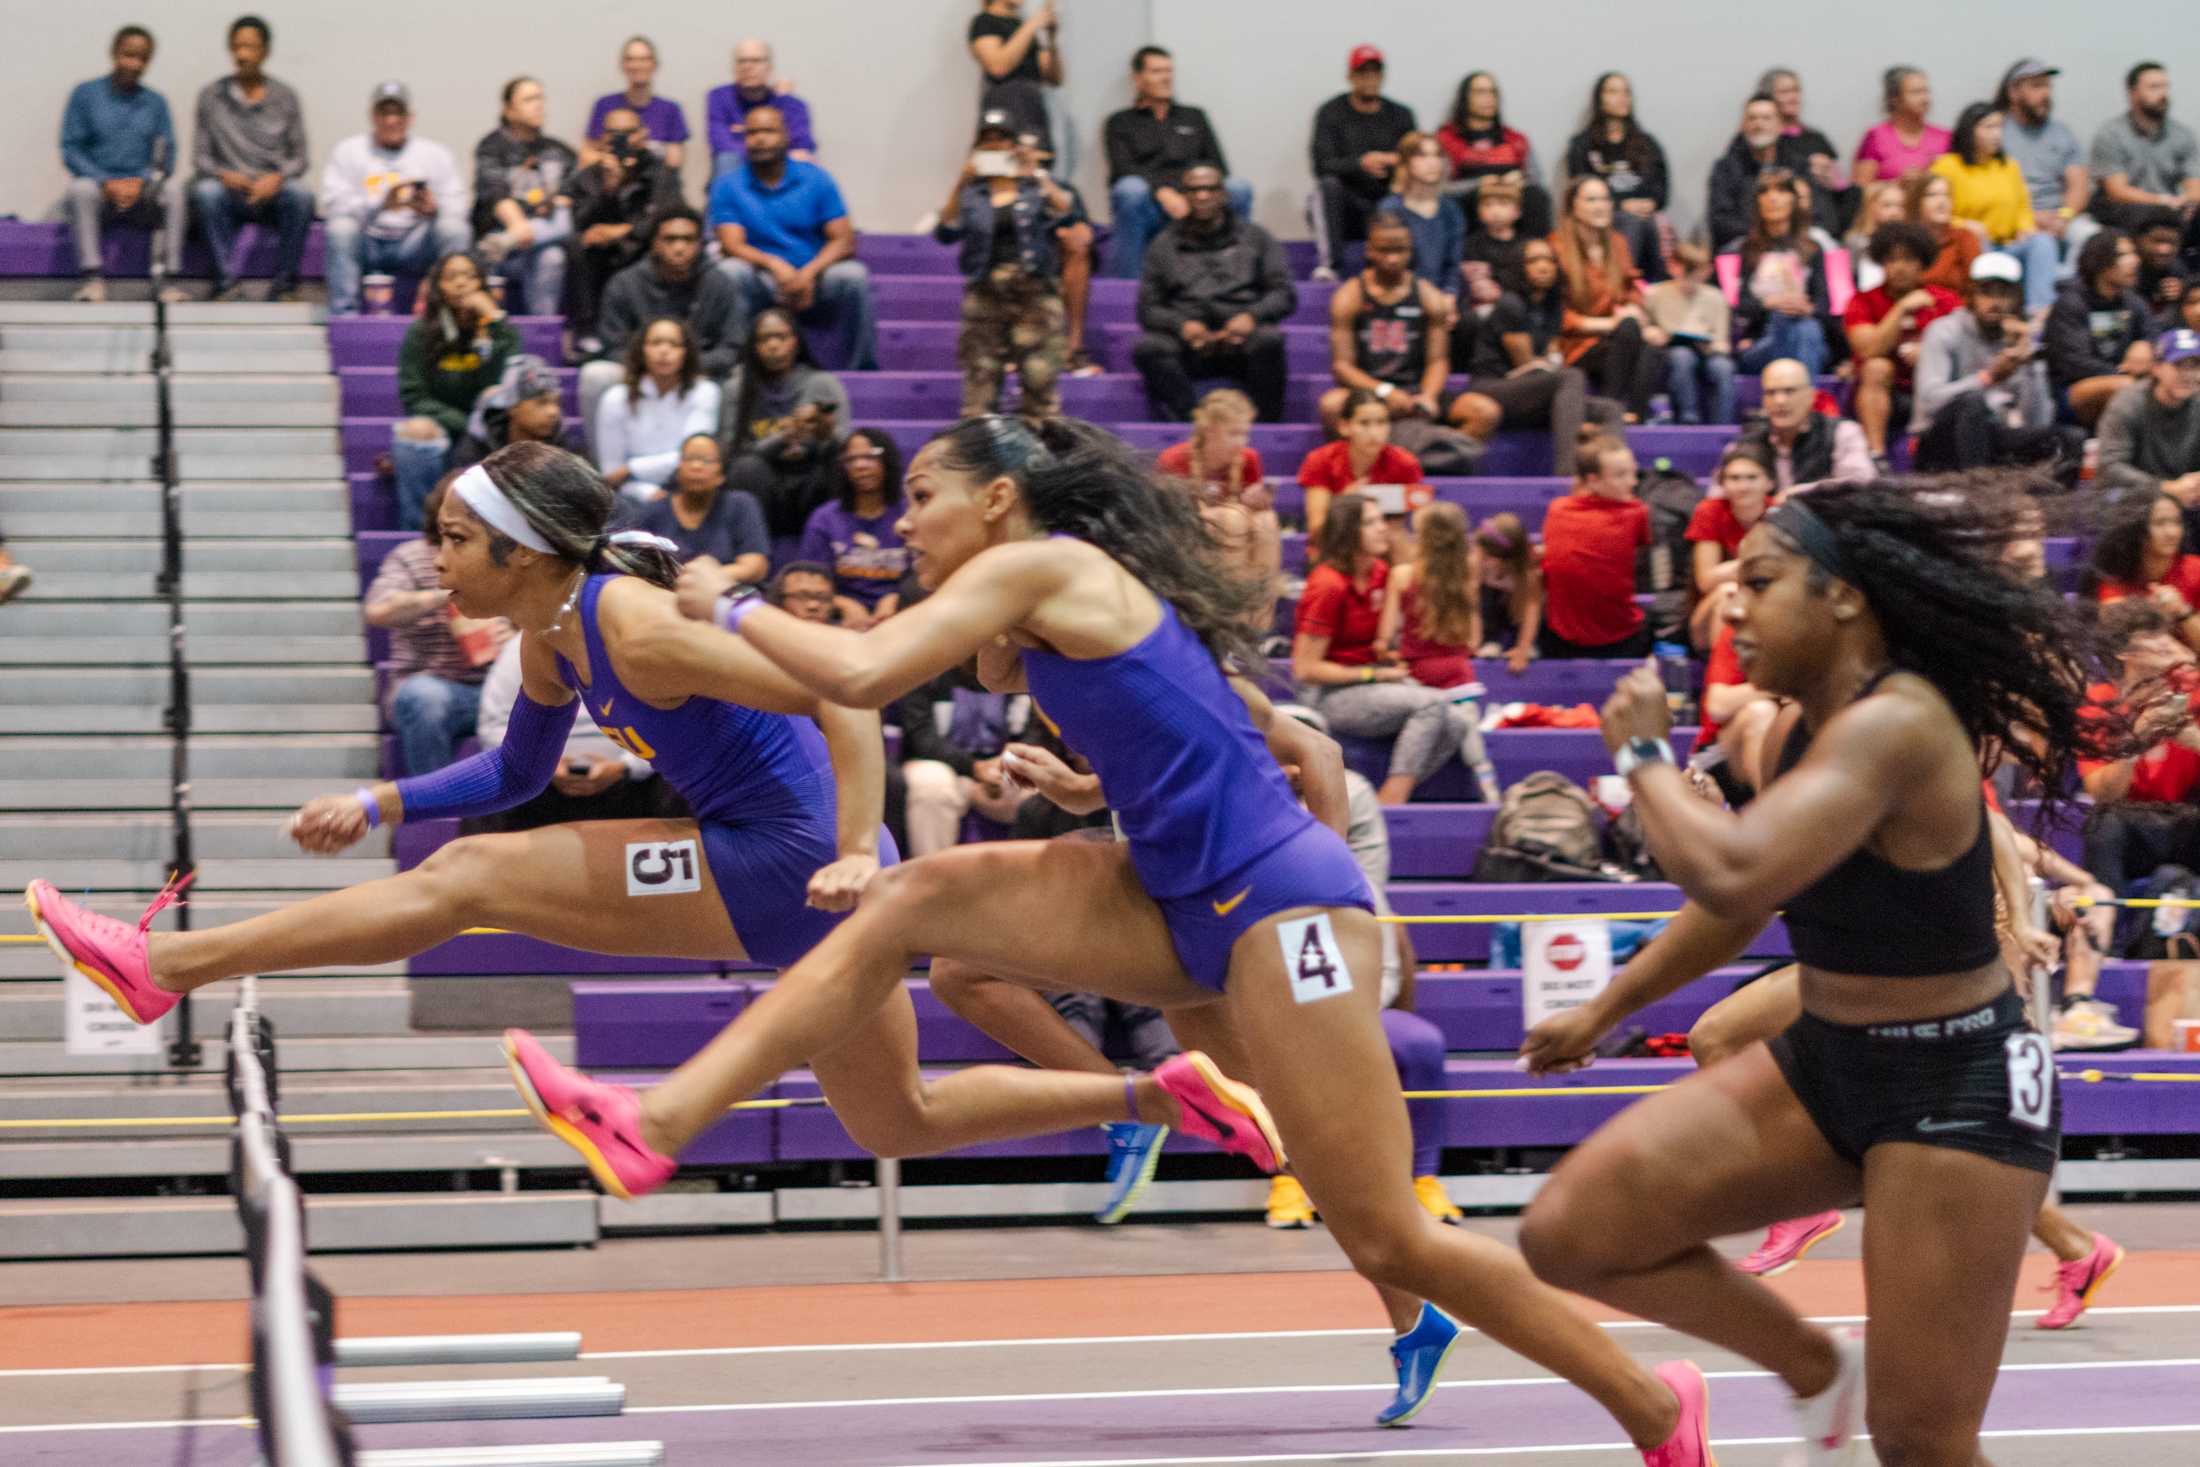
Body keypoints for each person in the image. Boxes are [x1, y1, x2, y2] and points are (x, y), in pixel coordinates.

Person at [587, 417, 1715, 1460]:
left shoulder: (1048, 565)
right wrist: (1085, 793)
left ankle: (1655, 1405)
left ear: (999, 501)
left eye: (924, 493)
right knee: (909, 899)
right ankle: (663, 1118)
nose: (904, 516)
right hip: (1176, 900)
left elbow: (863, 673)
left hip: (1279, 904)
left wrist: (721, 603)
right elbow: (1167, 735)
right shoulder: (1040, 601)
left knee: (1387, 1237)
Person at [1516, 473, 2120, 1466]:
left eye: (1760, 580)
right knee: (1571, 1235)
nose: (1729, 603)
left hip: (1957, 1084)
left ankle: (1855, 1399)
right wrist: (1605, 1010)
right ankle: (1813, 1370)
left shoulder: (1899, 724)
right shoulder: (1792, 728)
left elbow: (1729, 864)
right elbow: (1746, 902)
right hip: (1829, 1062)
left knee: (1921, 1445)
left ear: (1841, 596)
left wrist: (1638, 762)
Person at [1293, 492, 1498, 803]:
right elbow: (1305, 669)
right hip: (1329, 695)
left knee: (1457, 723)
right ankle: (1393, 798)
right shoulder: (1328, 585)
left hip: (1376, 681)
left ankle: (1385, 798)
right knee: (1432, 704)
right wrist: (1371, 675)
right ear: (1349, 531)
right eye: (1371, 522)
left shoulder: (1379, 573)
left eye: (1382, 520)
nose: (1383, 528)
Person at [464, 630, 686, 834]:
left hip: (632, 781)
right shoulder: (522, 646)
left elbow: (672, 729)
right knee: (483, 787)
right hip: (540, 783)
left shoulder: (645, 647)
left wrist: (627, 767)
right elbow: (494, 726)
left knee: (686, 779)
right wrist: (541, 765)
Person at [708, 106, 877, 371]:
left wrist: (807, 274)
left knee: (853, 276)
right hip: (761, 277)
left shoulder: (817, 178)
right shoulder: (728, 185)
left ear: (785, 136)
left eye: (768, 131)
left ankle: (861, 369)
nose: (760, 139)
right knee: (730, 272)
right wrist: (775, 266)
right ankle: (735, 366)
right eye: (752, 133)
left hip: (815, 275)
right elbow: (732, 244)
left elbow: (844, 240)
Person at [936, 112, 1080, 420]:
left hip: (1034, 296)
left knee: (1040, 385)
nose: (995, 147)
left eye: (1001, 141)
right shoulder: (973, 194)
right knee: (979, 387)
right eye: (987, 142)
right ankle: (982, 460)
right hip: (986, 297)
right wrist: (961, 181)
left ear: (1014, 146)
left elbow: (1069, 212)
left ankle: (1041, 460)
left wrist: (1037, 173)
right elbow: (945, 231)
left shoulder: (1034, 189)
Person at [1133, 164, 1296, 423]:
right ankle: (1194, 420)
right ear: (1184, 195)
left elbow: (1284, 294)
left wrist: (1251, 317)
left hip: (1243, 342)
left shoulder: (1256, 238)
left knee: (1269, 340)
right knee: (1148, 347)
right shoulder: (1163, 244)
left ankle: (1266, 424)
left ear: (1224, 194)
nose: (1202, 196)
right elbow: (1147, 308)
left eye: (1210, 189)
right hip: (1190, 345)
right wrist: (1181, 325)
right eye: (1194, 190)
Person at [364, 474, 504, 776]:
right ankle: (438, 813)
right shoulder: (411, 556)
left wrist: (518, 632)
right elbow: (378, 611)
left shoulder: (507, 558)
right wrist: (445, 596)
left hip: (500, 685)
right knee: (423, 697)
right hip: (436, 684)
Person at [1318, 215, 1481, 463]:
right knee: (1332, 405)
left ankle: (1431, 467)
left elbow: (1438, 360)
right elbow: (1342, 366)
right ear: (1370, 251)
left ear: (1410, 250)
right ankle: (1355, 470)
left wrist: (1428, 395)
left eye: (1400, 250)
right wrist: (1385, 391)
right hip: (1369, 391)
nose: (1393, 258)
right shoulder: (1349, 296)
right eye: (1384, 250)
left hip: (1415, 389)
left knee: (1483, 411)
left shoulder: (1429, 296)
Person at [1461, 236, 1622, 474]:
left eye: (1549, 260)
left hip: (1531, 390)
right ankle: (1570, 475)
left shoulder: (1552, 307)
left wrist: (1548, 366)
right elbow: (1527, 366)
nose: (1544, 266)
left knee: (1609, 409)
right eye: (1533, 260)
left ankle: (1608, 475)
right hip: (1494, 387)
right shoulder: (1510, 304)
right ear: (1519, 267)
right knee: (1571, 377)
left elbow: (1550, 358)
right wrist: (1547, 366)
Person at [579, 207, 741, 438]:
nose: (679, 247)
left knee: (738, 380)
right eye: (670, 239)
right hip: (640, 373)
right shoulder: (625, 283)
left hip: (699, 372)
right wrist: (651, 368)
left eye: (688, 239)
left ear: (700, 244)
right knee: (596, 375)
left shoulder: (720, 284)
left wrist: (685, 367)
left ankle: (715, 468)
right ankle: (602, 468)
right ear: (655, 243)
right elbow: (612, 345)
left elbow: (731, 348)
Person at [184, 15, 310, 302]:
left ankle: (285, 285)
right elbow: (200, 157)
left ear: (265, 52)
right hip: (230, 191)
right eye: (237, 47)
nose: (242, 55)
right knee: (205, 192)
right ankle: (225, 284)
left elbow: (300, 158)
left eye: (250, 48)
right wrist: (223, 175)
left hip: (272, 191)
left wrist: (276, 179)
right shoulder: (211, 96)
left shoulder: (285, 96)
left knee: (300, 195)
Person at [392, 251, 520, 531]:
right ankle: (421, 533)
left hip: (491, 428)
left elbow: (512, 380)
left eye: (470, 276)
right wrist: (463, 424)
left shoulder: (497, 329)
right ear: (439, 287)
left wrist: (494, 319)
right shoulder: (421, 332)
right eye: (452, 277)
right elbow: (414, 396)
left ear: (482, 284)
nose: (461, 283)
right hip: (445, 427)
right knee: (415, 430)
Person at [321, 82, 470, 317]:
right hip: (368, 239)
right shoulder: (349, 151)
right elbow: (333, 205)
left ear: (410, 118)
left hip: (415, 242)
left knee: (453, 228)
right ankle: (344, 317)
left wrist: (435, 208)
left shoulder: (434, 154)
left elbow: (459, 204)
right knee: (340, 229)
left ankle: (451, 316)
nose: (391, 121)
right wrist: (381, 203)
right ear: (373, 116)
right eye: (384, 113)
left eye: (398, 113)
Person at [1102, 46, 1249, 279]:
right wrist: (1162, 192)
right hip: (1149, 205)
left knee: (1238, 188)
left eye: (1169, 71)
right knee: (1128, 189)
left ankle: (1238, 277)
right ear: (1138, 78)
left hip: (1196, 201)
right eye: (1157, 71)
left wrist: (1191, 194)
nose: (1166, 78)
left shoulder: (1194, 116)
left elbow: (1217, 167)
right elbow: (1123, 168)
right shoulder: (1120, 122)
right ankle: (1127, 287)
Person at [1911, 255, 2066, 473]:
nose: (1995, 302)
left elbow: (2038, 421)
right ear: (1971, 295)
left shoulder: (2015, 336)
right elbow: (1929, 402)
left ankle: (2049, 503)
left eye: (2003, 294)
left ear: (2016, 298)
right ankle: (1979, 488)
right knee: (1973, 404)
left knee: (2068, 439)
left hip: (1992, 435)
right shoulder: (1943, 331)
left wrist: (2030, 364)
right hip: (1938, 439)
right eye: (1986, 293)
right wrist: (1989, 377)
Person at [60, 25, 178, 304]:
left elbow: (167, 155)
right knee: (80, 189)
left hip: (142, 193)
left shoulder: (156, 103)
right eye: (129, 55)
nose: (134, 64)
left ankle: (167, 281)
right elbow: (71, 148)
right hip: (101, 192)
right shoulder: (85, 95)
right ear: (114, 53)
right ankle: (92, 279)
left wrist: (141, 182)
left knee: (173, 192)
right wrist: (105, 182)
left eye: (142, 58)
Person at [718, 308, 851, 544]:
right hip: (764, 485)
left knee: (836, 461)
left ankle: (830, 542)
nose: (773, 345)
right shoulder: (737, 388)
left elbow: (845, 445)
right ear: (753, 346)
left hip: (811, 482)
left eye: (781, 337)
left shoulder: (823, 383)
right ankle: (754, 548)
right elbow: (731, 452)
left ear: (796, 342)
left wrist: (824, 434)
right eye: (764, 339)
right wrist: (784, 437)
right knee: (746, 468)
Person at [567, 107, 684, 349]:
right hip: (602, 254)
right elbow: (580, 222)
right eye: (612, 133)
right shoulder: (588, 177)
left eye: (627, 133)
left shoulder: (662, 173)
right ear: (603, 138)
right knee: (576, 246)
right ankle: (588, 332)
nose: (619, 139)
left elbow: (668, 217)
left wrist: (625, 231)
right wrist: (609, 189)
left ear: (642, 135)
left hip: (643, 249)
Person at [1842, 221, 1960, 457]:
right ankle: (1876, 456)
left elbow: (1966, 349)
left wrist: (1929, 355)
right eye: (1891, 260)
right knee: (1876, 366)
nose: (1899, 267)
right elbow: (1868, 349)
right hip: (1884, 394)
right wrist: (1901, 308)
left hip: (1932, 391)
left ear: (1922, 263)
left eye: (1908, 259)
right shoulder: (1863, 301)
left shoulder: (1946, 300)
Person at [1932, 103, 2061, 314]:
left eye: (1999, 127)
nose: (1996, 134)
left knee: (2042, 242)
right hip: (1974, 243)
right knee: (1977, 241)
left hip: (2008, 243)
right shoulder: (1948, 166)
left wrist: (2024, 226)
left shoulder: (2008, 166)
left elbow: (2022, 205)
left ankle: (2039, 313)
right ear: (1969, 130)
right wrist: (1964, 224)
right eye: (1988, 127)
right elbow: (1934, 209)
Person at [1550, 176, 1660, 421]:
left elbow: (1631, 288)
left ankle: (1633, 418)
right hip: (1577, 343)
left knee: (1653, 349)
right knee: (1630, 330)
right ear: (1572, 206)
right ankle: (1610, 410)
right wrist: (1609, 324)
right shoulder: (1556, 248)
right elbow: (1554, 313)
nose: (1601, 206)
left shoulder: (1617, 243)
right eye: (1591, 199)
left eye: (1605, 199)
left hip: (1619, 337)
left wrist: (1635, 309)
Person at [1308, 45, 1416, 282]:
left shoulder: (1401, 115)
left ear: (1382, 76)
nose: (1369, 79)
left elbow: (1415, 156)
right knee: (1326, 186)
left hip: (1387, 201)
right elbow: (1321, 164)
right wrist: (1361, 163)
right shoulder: (1331, 112)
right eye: (1362, 73)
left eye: (1375, 72)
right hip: (1346, 205)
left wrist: (1393, 160)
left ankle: (1409, 265)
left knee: (1412, 188)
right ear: (1350, 76)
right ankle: (1330, 265)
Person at [470, 78, 577, 317]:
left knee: (554, 253)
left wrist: (550, 205)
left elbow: (572, 196)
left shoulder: (560, 151)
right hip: (501, 251)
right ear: (508, 110)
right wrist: (519, 225)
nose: (539, 105)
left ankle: (542, 336)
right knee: (557, 221)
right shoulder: (492, 147)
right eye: (529, 99)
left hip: (539, 244)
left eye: (541, 98)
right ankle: (510, 238)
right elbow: (495, 193)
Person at [1538, 436, 1652, 660]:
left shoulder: (1557, 508)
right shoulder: (1637, 512)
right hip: (1616, 640)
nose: (1632, 482)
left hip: (1561, 639)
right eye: (1621, 475)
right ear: (1593, 481)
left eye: (1633, 472)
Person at [594, 318, 723, 503]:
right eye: (655, 343)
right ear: (642, 350)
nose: (664, 351)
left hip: (689, 488)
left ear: (686, 352)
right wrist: (645, 491)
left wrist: (631, 468)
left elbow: (695, 457)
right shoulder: (615, 398)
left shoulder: (705, 392)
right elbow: (613, 474)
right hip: (632, 493)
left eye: (674, 344)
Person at [622, 435, 769, 592]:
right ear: (678, 470)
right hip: (667, 598)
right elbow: (632, 565)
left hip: (727, 596)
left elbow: (755, 567)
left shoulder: (740, 504)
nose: (696, 466)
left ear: (722, 474)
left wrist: (695, 581)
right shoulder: (654, 511)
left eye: (707, 460)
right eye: (689, 458)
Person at [1726, 170, 1835, 379]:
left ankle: (1798, 404)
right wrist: (1770, 303)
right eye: (1764, 191)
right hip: (1762, 341)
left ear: (1795, 200)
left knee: (1806, 329)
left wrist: (1804, 308)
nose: (1772, 198)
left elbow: (1824, 305)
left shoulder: (1813, 249)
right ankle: (1805, 406)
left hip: (1807, 336)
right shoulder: (1747, 249)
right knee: (1789, 322)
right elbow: (1741, 305)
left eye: (1781, 190)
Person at [1564, 72, 1670, 284]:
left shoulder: (1647, 144)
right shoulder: (1583, 145)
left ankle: (1653, 287)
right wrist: (1621, 204)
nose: (1622, 97)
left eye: (1626, 92)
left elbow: (1661, 191)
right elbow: (1579, 187)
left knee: (1649, 222)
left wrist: (1649, 203)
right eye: (1613, 91)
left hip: (1645, 216)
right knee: (1633, 222)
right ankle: (1622, 283)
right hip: (1605, 216)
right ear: (1599, 100)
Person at [799, 428, 910, 629]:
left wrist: (896, 598)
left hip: (903, 615)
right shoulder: (825, 518)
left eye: (870, 457)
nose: (860, 466)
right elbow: (809, 580)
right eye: (852, 459)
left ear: (888, 461)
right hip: (837, 618)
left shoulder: (910, 514)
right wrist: (843, 604)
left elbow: (924, 577)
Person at [2045, 229, 2156, 427]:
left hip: (2126, 379)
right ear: (2100, 261)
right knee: (2130, 388)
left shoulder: (2133, 302)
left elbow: (2154, 336)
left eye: (2133, 253)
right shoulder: (2071, 303)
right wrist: (2120, 372)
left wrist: (2146, 344)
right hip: (2072, 392)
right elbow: (2074, 363)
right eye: (2123, 255)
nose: (2135, 261)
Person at [1995, 58, 2097, 265]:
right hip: (2012, 218)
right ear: (2013, 93)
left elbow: (2079, 185)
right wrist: (2029, 217)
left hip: (2060, 217)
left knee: (2091, 237)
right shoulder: (1995, 131)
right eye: (2036, 86)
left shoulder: (2062, 133)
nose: (2045, 94)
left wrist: (2064, 217)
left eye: (2048, 87)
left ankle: (2068, 291)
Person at [1296, 389, 1424, 543]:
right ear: (1344, 426)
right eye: (1364, 423)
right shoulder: (1320, 459)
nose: (1374, 432)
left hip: (1385, 541)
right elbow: (1316, 530)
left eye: (1381, 422)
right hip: (1336, 542)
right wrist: (1345, 502)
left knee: (1396, 533)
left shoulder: (1405, 462)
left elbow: (1418, 524)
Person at [1436, 71, 1552, 239]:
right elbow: (1441, 187)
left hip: (1512, 198)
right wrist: (1480, 184)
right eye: (1480, 92)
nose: (1488, 98)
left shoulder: (1515, 139)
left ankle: (1534, 253)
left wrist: (1518, 181)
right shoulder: (1447, 138)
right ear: (1465, 98)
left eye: (1492, 92)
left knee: (1536, 196)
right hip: (1469, 202)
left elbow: (1536, 178)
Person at [2089, 62, 2200, 235]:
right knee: (2151, 218)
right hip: (2125, 211)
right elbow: (2117, 191)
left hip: (2170, 209)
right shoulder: (2111, 134)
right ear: (2132, 93)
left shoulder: (2182, 135)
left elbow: (2195, 186)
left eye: (2165, 87)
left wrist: (2186, 201)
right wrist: (2161, 201)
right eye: (2154, 87)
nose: (2163, 94)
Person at [1377, 501, 1479, 690]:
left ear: (1421, 538)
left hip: (1417, 674)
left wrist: (1385, 652)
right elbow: (1474, 641)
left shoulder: (1401, 575)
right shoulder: (1468, 571)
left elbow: (1385, 637)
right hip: (1461, 673)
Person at [1684, 443, 1775, 651]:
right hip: (1708, 614)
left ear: (1769, 482)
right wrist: (1755, 564)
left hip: (1764, 606)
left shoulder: (1780, 513)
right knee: (1729, 593)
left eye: (1752, 478)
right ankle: (1724, 676)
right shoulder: (1709, 511)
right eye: (1734, 478)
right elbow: (1706, 580)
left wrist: (1733, 569)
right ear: (1722, 483)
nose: (1743, 486)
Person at [2099, 328, 2200, 504]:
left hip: (2189, 495)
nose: (2188, 375)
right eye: (2179, 365)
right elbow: (2110, 468)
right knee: (2113, 498)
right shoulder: (2128, 403)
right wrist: (2166, 488)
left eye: (2195, 366)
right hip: (2139, 497)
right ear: (2157, 368)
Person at [1740, 358, 1873, 491]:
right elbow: (1722, 491)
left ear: (1810, 396)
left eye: (1789, 391)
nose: (1779, 401)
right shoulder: (1750, 440)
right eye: (1771, 392)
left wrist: (1802, 493)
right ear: (1763, 401)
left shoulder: (1842, 432)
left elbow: (1862, 484)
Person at [967, 1, 1068, 174]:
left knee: (1038, 172)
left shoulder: (1021, 25)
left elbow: (1054, 78)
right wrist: (1033, 24)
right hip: (1003, 111)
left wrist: (1051, 38)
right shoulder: (984, 22)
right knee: (998, 170)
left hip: (1032, 112)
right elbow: (997, 67)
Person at [1707, 94, 1814, 254]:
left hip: (1794, 245)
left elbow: (1818, 213)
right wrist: (1764, 235)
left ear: (1780, 124)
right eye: (1752, 118)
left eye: (1766, 118)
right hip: (1745, 246)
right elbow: (1720, 221)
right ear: (1743, 125)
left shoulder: (1798, 165)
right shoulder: (1726, 168)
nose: (1759, 124)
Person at [1753, 69, 1855, 235]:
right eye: (1785, 92)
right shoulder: (1760, 140)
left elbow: (1840, 185)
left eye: (1796, 90)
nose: (1793, 97)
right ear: (1768, 97)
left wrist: (1830, 178)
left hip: (1819, 214)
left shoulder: (1815, 137)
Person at [2079, 491, 2200, 630]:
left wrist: (2182, 611)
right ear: (2135, 529)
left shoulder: (2195, 569)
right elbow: (2110, 623)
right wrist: (2148, 608)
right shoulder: (2114, 573)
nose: (2172, 532)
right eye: (2159, 523)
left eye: (2177, 522)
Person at [1378, 134, 1469, 303]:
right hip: (1402, 295)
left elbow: (1453, 264)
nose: (1432, 162)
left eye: (1437, 155)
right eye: (1422, 155)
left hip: (1445, 296)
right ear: (1405, 163)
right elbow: (1391, 265)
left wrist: (1449, 295)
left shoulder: (1451, 209)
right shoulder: (1390, 209)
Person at [452, 355, 585, 470]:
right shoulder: (478, 446)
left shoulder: (567, 447)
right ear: (513, 407)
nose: (554, 412)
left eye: (557, 402)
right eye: (541, 402)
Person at [705, 39, 816, 177]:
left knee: (804, 162)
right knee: (727, 159)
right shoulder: (719, 97)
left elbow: (802, 145)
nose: (747, 67)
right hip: (737, 178)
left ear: (769, 66)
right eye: (742, 61)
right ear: (734, 67)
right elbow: (721, 143)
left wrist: (784, 100)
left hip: (781, 174)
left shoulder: (791, 103)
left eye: (756, 61)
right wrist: (769, 150)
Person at [582, 36, 688, 172]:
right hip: (610, 186)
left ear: (654, 64)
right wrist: (611, 162)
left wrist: (642, 153)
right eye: (631, 59)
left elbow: (674, 163)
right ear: (623, 65)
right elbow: (587, 155)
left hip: (655, 185)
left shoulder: (671, 109)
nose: (637, 65)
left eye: (644, 59)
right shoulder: (604, 105)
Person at [1853, 65, 1951, 189]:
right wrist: (1897, 184)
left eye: (1926, 91)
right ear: (1895, 99)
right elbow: (1860, 190)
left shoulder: (1945, 137)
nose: (1925, 98)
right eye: (1916, 92)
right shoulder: (1876, 137)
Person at [1469, 512, 1541, 674]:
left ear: (1510, 558)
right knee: (1487, 597)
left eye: (1490, 558)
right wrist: (1474, 638)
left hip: (1517, 608)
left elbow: (1532, 612)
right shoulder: (1477, 561)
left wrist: (1523, 649)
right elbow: (1472, 603)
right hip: (1491, 608)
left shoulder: (1529, 574)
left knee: (1521, 604)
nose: (1485, 560)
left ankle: (1528, 644)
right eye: (1482, 554)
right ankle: (1491, 640)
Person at [1904, 171, 1981, 294]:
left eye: (1947, 195)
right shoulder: (1906, 240)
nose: (1942, 202)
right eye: (1933, 195)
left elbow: (1976, 287)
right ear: (1917, 203)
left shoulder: (1964, 237)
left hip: (1956, 309)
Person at [2134, 208, 2192, 329]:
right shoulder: (2128, 269)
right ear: (2139, 240)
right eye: (2157, 241)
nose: (2164, 250)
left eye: (2172, 243)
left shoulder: (2179, 269)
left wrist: (2184, 294)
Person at [770, 561, 839, 622]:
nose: (813, 606)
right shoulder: (761, 635)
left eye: (823, 598)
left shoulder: (843, 635)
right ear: (779, 601)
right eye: (801, 596)